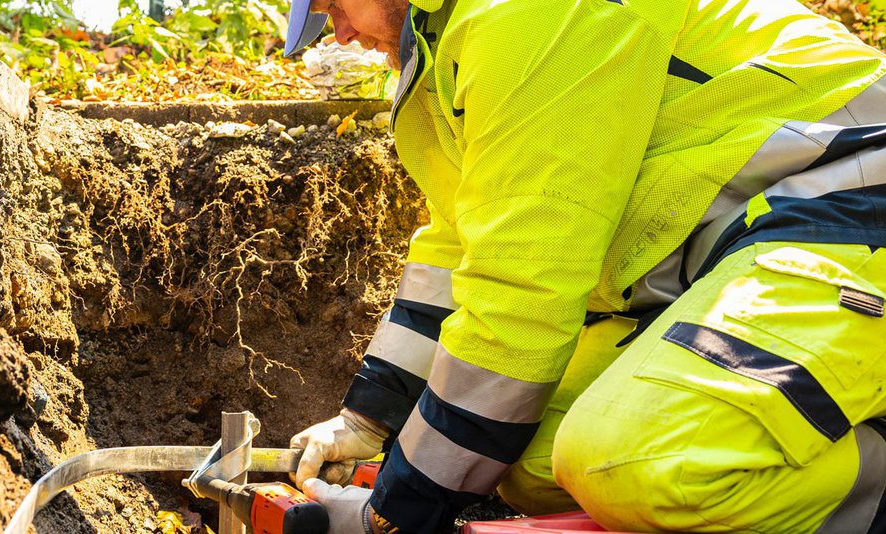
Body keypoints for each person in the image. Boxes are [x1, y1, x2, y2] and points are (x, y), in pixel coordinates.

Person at [278, 0, 886, 531]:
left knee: (644, 463)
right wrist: (368, 420)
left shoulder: (527, 17)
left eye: (335, 6)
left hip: (850, 201)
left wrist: (393, 516)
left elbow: (523, 294)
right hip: (752, 235)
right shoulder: (450, 37)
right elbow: (464, 245)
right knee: (531, 461)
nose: (341, 34)